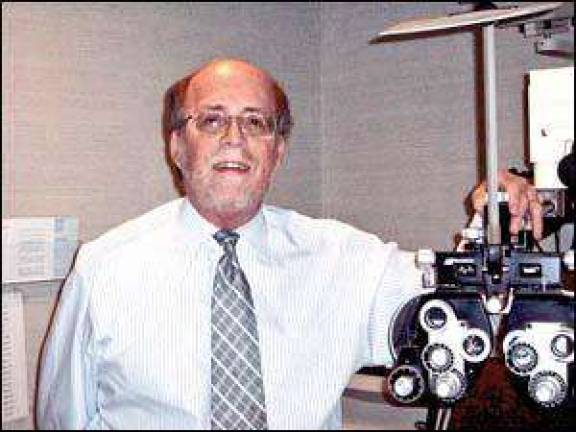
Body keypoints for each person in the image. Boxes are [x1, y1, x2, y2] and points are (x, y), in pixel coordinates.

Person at [36, 58, 543, 430]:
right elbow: (63, 419)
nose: (234, 137)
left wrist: (497, 219)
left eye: (255, 122)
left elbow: (467, 305)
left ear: (277, 152)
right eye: (211, 120)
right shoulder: (104, 268)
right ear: (177, 147)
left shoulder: (346, 260)